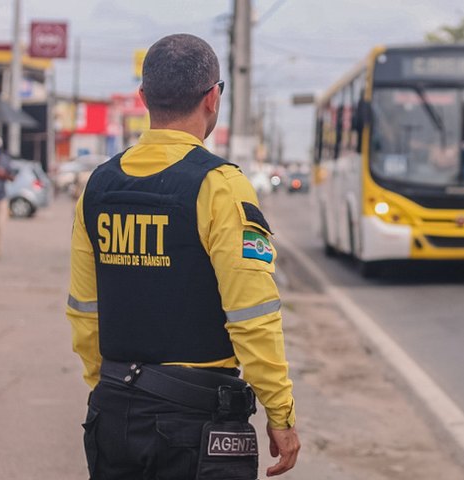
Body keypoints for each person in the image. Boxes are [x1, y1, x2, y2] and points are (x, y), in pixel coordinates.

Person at [66, 34, 299, 479]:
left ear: (143, 98)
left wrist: (109, 388)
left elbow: (84, 312)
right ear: (213, 98)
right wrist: (280, 412)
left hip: (113, 412)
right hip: (195, 424)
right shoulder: (220, 186)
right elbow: (252, 314)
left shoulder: (96, 186)